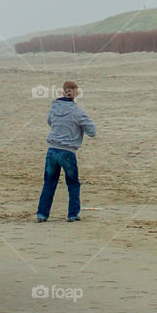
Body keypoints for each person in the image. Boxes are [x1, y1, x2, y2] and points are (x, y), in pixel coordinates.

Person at [36, 81, 96, 222]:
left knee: (49, 183)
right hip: (67, 151)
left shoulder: (54, 108)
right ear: (76, 95)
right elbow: (92, 132)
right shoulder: (78, 112)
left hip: (52, 149)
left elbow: (50, 122)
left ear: (63, 93)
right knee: (73, 183)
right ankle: (73, 214)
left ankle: (42, 214)